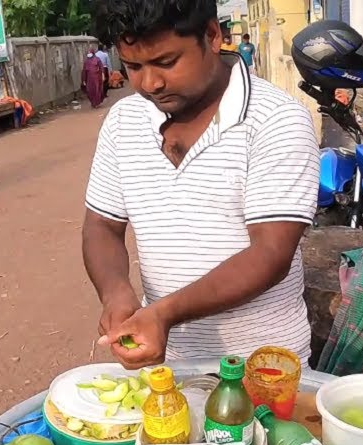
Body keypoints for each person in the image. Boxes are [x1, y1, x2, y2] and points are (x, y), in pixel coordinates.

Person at [84, 0, 320, 369]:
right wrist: (116, 294)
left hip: (262, 370)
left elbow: (271, 255)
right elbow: (102, 225)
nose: (150, 83)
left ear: (212, 36)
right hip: (165, 365)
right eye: (133, 66)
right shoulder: (122, 121)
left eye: (166, 62)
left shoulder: (276, 120)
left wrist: (164, 313)